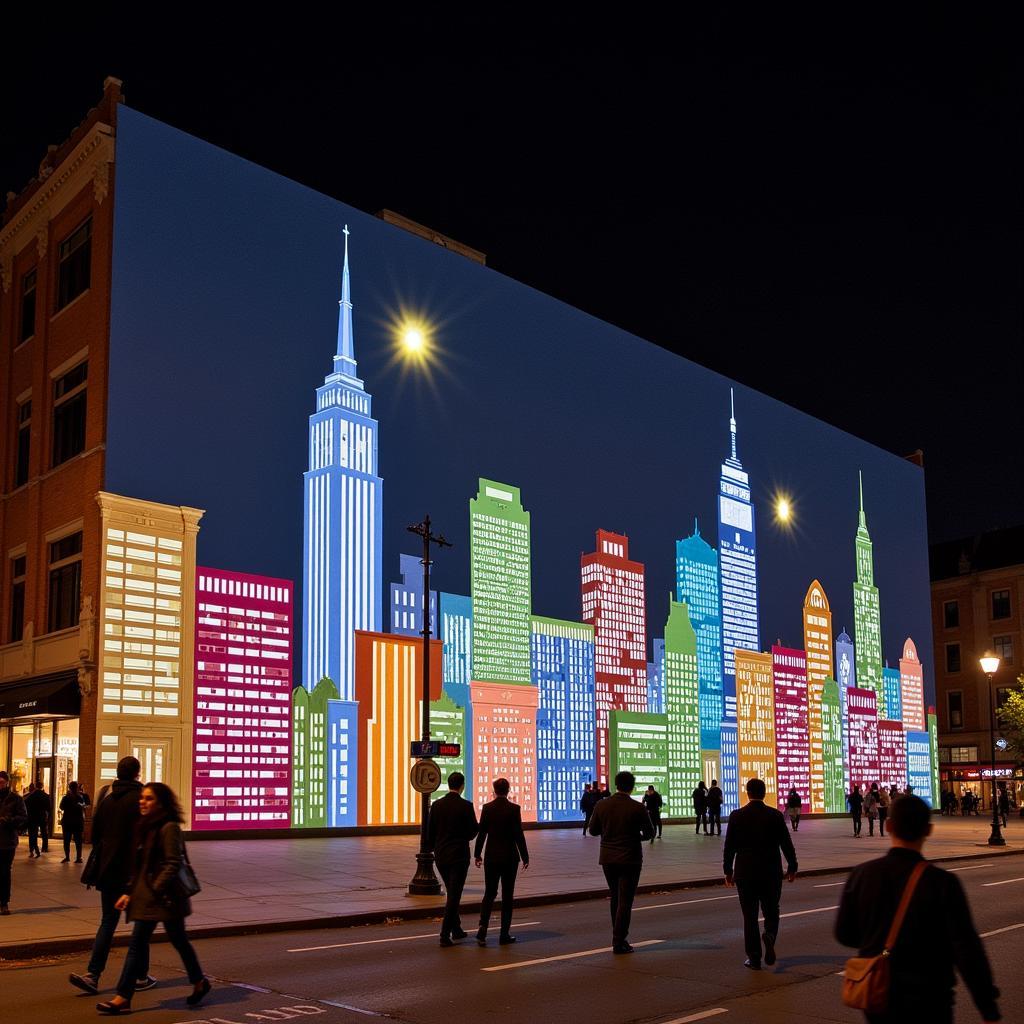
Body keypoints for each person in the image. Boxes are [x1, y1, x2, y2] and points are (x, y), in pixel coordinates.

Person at [835, 795, 1000, 1023]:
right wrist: (988, 1007)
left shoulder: (862, 874)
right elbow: (967, 948)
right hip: (931, 998)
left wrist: (876, 940)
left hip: (879, 995)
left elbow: (844, 933)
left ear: (889, 826)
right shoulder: (942, 883)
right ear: (929, 830)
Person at [96, 782, 209, 1014]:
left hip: (166, 899)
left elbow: (172, 863)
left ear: (161, 803)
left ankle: (197, 982)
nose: (142, 802)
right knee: (142, 944)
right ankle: (124, 998)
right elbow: (140, 866)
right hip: (150, 897)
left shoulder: (169, 828)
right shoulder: (146, 826)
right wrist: (129, 892)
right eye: (142, 798)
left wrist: (154, 891)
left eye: (149, 799)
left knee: (175, 941)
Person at [69, 756, 156, 997]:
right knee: (140, 925)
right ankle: (140, 976)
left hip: (108, 871)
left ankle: (93, 975)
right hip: (132, 873)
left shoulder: (106, 799)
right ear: (137, 774)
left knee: (108, 921)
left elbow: (95, 836)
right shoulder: (141, 800)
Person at [723, 777, 798, 970]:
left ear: (748, 793)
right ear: (764, 793)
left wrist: (728, 871)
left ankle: (754, 958)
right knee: (772, 911)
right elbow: (786, 843)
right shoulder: (774, 816)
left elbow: (729, 846)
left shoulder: (737, 816)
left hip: (745, 873)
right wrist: (792, 866)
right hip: (771, 873)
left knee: (750, 917)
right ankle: (770, 935)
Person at [589, 769, 655, 953]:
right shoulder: (637, 807)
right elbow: (650, 833)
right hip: (630, 859)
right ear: (632, 787)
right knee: (625, 900)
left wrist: (609, 833)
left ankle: (617, 935)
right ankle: (619, 941)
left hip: (608, 858)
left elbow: (593, 831)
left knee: (615, 896)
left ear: (616, 785)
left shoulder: (602, 805)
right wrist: (635, 837)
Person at [474, 777, 529, 946]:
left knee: (489, 893)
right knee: (507, 895)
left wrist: (477, 854)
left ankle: (482, 928)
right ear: (508, 790)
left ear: (494, 790)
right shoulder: (514, 809)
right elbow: (518, 834)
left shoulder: (487, 808)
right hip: (510, 857)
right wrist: (525, 857)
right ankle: (504, 934)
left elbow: (482, 832)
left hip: (491, 857)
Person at [426, 771, 478, 947]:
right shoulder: (466, 806)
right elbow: (472, 832)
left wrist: (435, 848)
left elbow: (430, 832)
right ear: (462, 786)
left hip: (441, 856)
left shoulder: (437, 805)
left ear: (448, 784)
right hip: (459, 856)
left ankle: (456, 929)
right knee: (454, 895)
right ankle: (444, 935)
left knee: (452, 892)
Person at [0, 770, 28, 915]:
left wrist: (9, 821)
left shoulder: (15, 799)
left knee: (4, 872)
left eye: (1, 782)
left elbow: (23, 817)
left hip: (7, 841)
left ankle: (4, 902)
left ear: (7, 782)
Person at [60, 781, 89, 863]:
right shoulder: (80, 797)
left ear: (69, 788)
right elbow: (84, 806)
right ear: (77, 788)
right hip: (78, 821)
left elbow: (61, 807)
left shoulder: (66, 797)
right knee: (78, 840)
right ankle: (78, 857)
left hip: (67, 821)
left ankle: (67, 857)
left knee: (66, 840)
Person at [25, 781, 50, 858]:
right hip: (42, 816)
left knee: (32, 834)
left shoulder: (29, 796)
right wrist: (48, 816)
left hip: (32, 817)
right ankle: (44, 847)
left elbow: (26, 806)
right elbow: (49, 808)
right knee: (44, 832)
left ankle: (32, 850)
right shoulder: (46, 796)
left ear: (36, 786)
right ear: (42, 786)